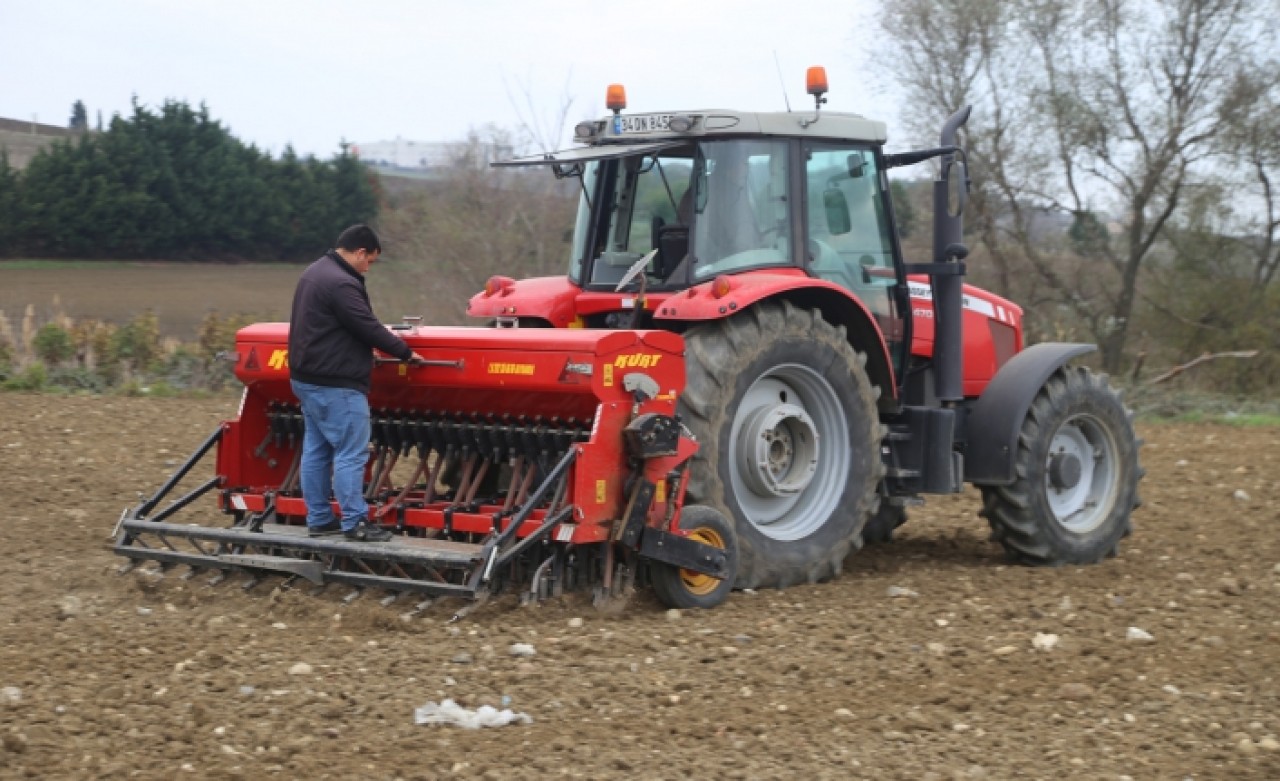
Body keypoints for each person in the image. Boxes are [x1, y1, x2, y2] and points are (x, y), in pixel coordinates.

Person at [288, 224, 426, 542]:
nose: (368, 268)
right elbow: (366, 325)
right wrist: (405, 353)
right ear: (360, 252)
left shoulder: (314, 272)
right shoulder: (341, 283)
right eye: (370, 262)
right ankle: (355, 523)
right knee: (351, 452)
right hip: (337, 383)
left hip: (306, 379)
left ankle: (320, 518)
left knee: (317, 450)